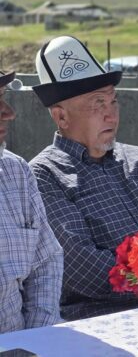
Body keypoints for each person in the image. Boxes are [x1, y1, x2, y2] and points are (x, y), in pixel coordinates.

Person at [29, 36, 138, 321]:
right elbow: (79, 263)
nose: (111, 115)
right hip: (104, 321)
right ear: (61, 117)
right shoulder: (44, 175)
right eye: (98, 103)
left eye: (113, 101)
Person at [0, 70, 64, 333]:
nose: (8, 113)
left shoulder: (15, 171)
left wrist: (38, 338)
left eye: (2, 96)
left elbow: (46, 260)